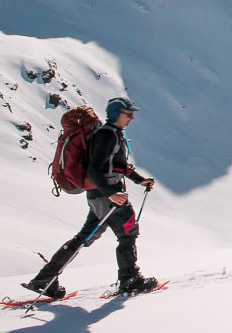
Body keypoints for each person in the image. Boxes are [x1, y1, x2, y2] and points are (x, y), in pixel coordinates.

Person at [24, 97, 159, 297]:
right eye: (128, 114)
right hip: (109, 196)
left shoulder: (111, 134)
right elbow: (94, 169)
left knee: (84, 237)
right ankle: (130, 280)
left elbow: (116, 164)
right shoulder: (107, 135)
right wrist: (111, 194)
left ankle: (45, 279)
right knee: (128, 233)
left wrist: (138, 180)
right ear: (117, 114)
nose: (132, 118)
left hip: (99, 196)